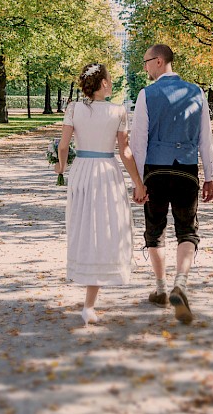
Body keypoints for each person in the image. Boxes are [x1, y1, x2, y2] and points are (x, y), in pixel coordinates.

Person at [130, 44, 213, 324]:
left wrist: (139, 181)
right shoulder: (197, 92)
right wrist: (210, 176)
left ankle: (161, 288)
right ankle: (181, 282)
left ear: (158, 61)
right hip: (187, 170)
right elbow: (206, 138)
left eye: (146, 62)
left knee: (155, 230)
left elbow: (138, 141)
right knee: (187, 231)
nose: (144, 68)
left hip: (155, 169)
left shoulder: (146, 95)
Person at [54, 62, 146, 325]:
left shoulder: (73, 109)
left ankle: (88, 294)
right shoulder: (118, 111)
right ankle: (90, 302)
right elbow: (124, 152)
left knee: (84, 227)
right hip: (106, 172)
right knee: (106, 228)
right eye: (110, 79)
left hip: (82, 171)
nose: (112, 82)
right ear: (103, 83)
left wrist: (61, 168)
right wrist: (138, 183)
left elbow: (63, 146)